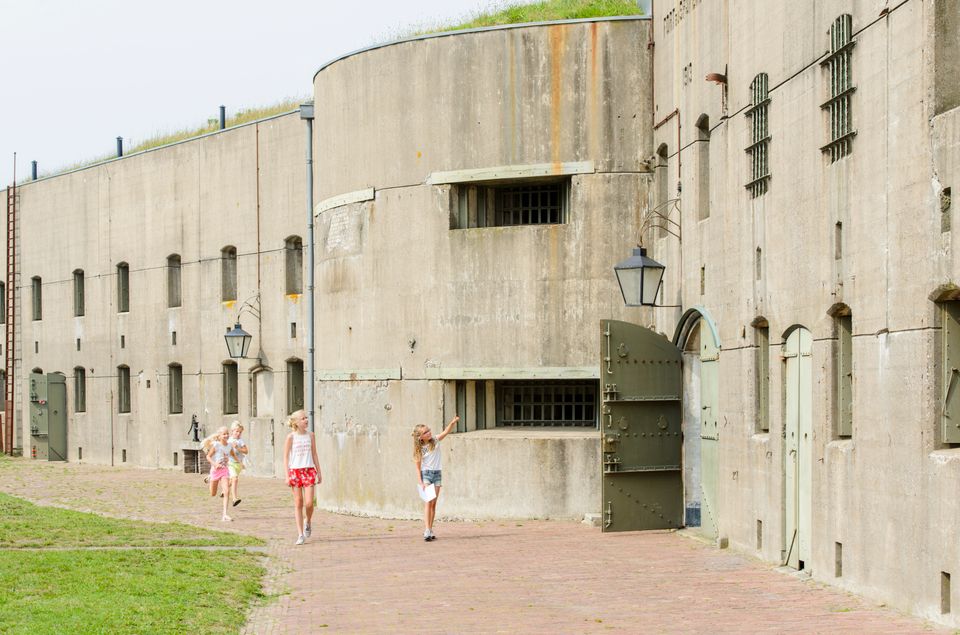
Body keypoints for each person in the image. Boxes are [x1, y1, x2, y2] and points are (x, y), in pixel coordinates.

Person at [412, 414, 459, 542]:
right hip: (426, 474)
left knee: (433, 504)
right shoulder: (419, 449)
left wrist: (452, 422)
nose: (429, 432)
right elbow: (418, 467)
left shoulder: (435, 440)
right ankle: (426, 530)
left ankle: (431, 529)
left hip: (437, 474)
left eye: (429, 430)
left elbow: (446, 432)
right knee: (428, 502)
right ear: (420, 437)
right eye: (425, 432)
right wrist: (420, 482)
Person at [283, 410, 322, 545]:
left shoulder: (311, 435)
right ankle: (300, 534)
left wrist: (319, 472)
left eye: (306, 417)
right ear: (296, 422)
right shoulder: (291, 437)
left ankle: (308, 521)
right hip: (295, 471)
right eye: (303, 418)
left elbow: (315, 454)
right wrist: (287, 476)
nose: (306, 420)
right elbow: (286, 457)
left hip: (309, 470)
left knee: (309, 503)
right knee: (298, 502)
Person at [201, 426, 236, 521]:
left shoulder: (229, 446)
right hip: (215, 471)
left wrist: (235, 461)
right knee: (213, 493)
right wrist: (215, 464)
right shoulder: (216, 445)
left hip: (224, 470)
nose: (226, 435)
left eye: (227, 433)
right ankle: (209, 478)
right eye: (224, 434)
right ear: (220, 436)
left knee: (227, 491)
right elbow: (208, 457)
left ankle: (225, 514)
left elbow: (232, 455)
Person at [227, 421, 249, 507]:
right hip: (230, 463)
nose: (238, 433)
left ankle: (224, 490)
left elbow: (246, 451)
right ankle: (234, 498)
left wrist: (238, 448)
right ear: (232, 431)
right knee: (235, 479)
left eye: (240, 432)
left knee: (232, 480)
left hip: (238, 464)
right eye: (236, 431)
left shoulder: (240, 441)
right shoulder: (228, 440)